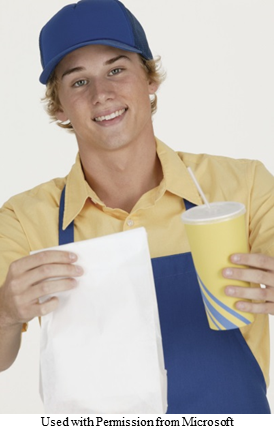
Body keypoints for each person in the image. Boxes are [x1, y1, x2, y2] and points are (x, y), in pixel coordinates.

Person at [0, 0, 273, 413]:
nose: (102, 94)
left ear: (149, 78)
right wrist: (5, 312)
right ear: (59, 107)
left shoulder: (244, 186)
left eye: (116, 69)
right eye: (78, 82)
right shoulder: (25, 218)